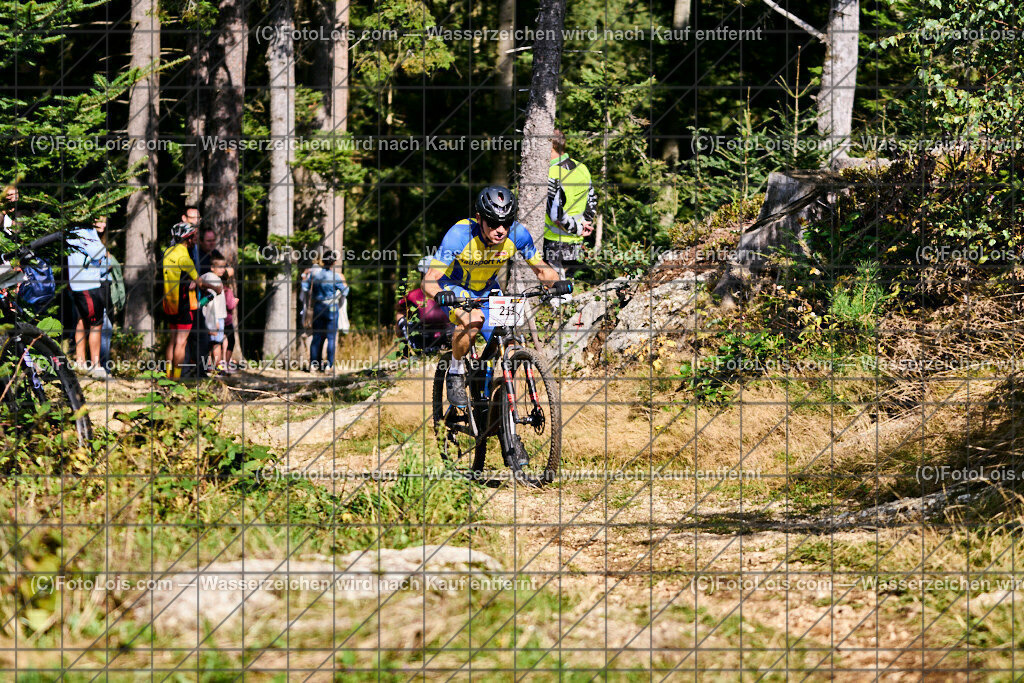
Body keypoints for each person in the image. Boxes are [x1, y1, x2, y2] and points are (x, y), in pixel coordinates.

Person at [422, 185, 568, 409]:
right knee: (472, 320)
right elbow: (429, 279)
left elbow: (541, 269)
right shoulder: (460, 234)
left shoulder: (518, 234)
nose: (500, 229)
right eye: (493, 223)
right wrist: (442, 295)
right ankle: (455, 371)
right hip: (454, 286)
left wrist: (557, 283)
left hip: (487, 289)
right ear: (479, 218)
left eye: (506, 223)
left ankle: (493, 398)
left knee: (508, 336)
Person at [162, 221, 222, 378]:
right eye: (193, 236)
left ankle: (167, 375)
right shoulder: (185, 258)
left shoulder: (168, 252)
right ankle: (175, 377)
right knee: (181, 343)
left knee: (172, 340)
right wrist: (216, 288)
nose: (195, 239)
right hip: (184, 304)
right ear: (187, 238)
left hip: (169, 303)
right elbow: (200, 282)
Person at [543, 129, 598, 281]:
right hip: (577, 242)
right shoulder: (582, 167)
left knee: (554, 293)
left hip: (554, 241)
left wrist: (579, 228)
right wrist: (585, 225)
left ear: (550, 147)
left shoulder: (551, 173)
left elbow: (556, 215)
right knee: (567, 288)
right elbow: (592, 199)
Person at [67, 218, 111, 379]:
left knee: (81, 322)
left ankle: (80, 361)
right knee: (96, 324)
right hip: (89, 285)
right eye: (100, 220)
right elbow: (99, 253)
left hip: (77, 285)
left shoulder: (73, 230)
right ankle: (96, 365)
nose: (103, 225)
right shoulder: (84, 232)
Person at [300, 250, 349, 372]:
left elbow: (305, 288)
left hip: (318, 307)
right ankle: (329, 366)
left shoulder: (315, 275)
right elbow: (345, 291)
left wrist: (304, 276)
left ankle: (314, 365)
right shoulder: (335, 276)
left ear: (323, 260)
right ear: (334, 262)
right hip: (332, 308)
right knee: (331, 337)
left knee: (317, 337)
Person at [395, 256, 450, 354]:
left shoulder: (414, 294)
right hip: (434, 338)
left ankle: (407, 353)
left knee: (401, 317)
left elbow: (399, 310)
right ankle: (407, 353)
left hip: (441, 337)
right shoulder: (448, 292)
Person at [200, 257, 228, 374]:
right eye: (220, 267)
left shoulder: (207, 276)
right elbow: (211, 301)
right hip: (214, 316)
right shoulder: (214, 279)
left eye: (224, 267)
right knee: (216, 343)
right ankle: (218, 367)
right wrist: (214, 320)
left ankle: (210, 366)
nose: (223, 270)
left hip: (212, 316)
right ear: (213, 268)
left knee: (211, 342)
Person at [222, 265, 238, 373]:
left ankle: (222, 364)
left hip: (220, 319)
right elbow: (229, 305)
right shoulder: (227, 290)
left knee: (220, 341)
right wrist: (235, 301)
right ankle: (225, 364)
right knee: (230, 340)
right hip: (226, 319)